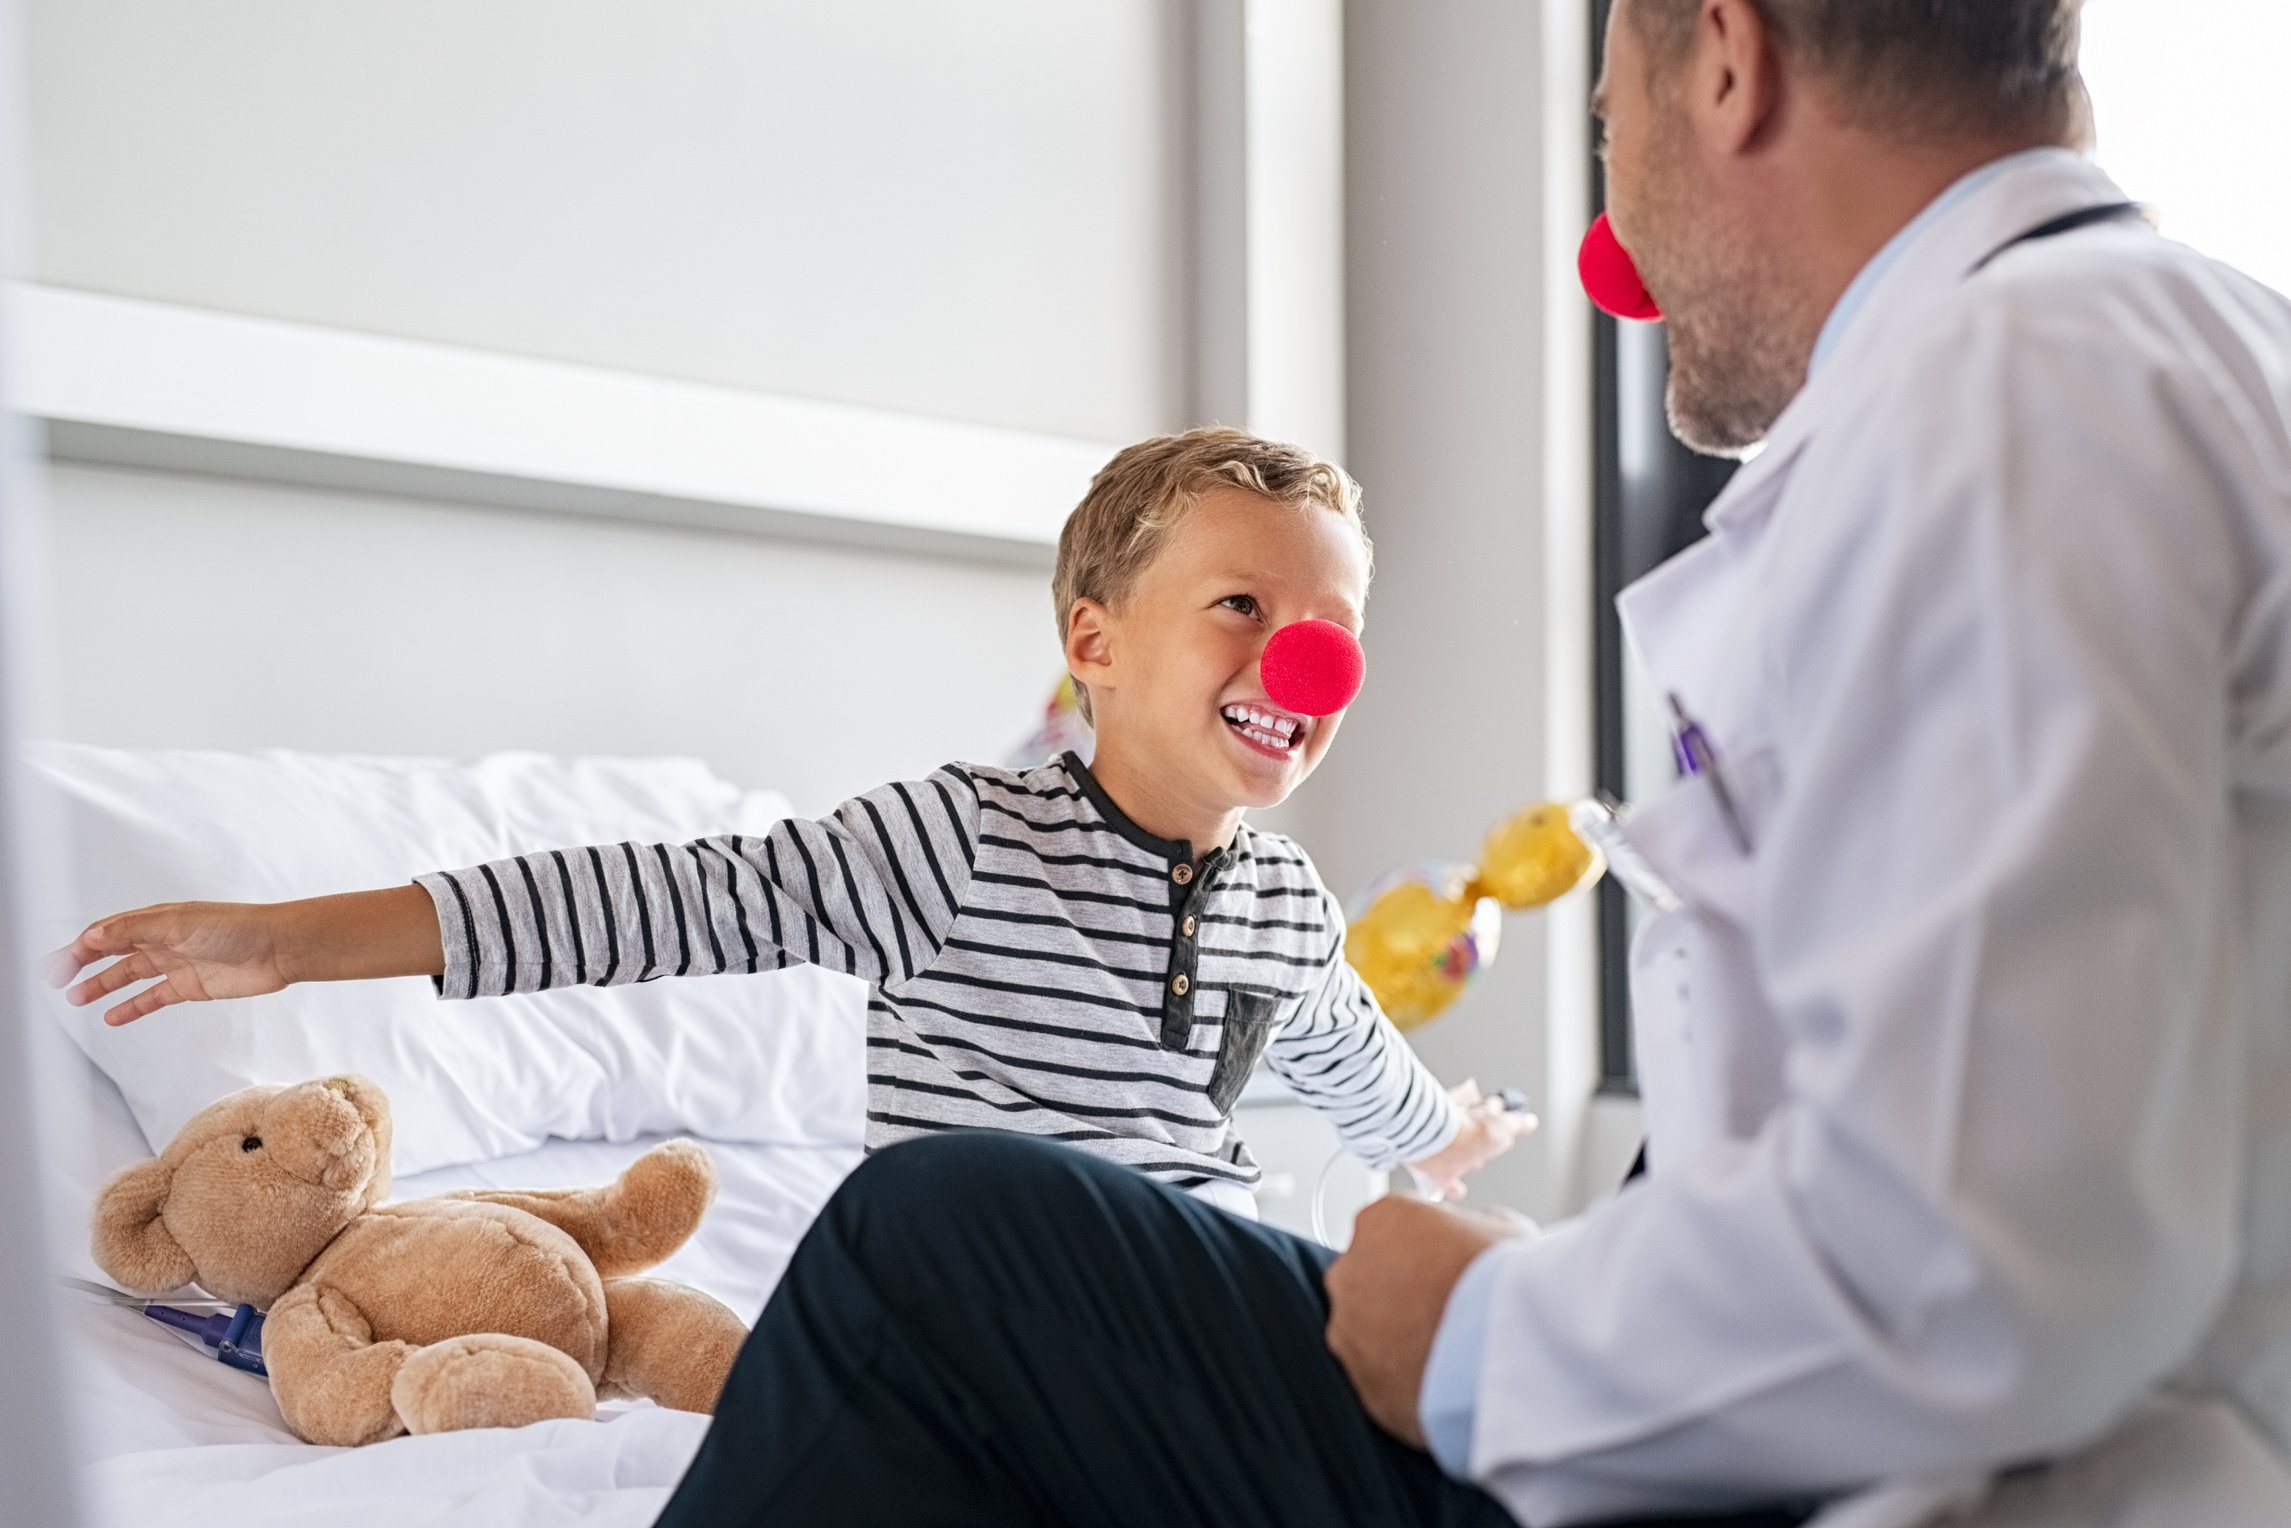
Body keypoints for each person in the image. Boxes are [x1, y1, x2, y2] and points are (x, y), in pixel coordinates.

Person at [590, 1, 2290, 1525]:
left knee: (935, 1245)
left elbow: (1989, 1260)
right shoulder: (2196, 351)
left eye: (1611, 135)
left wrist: (1478, 1327)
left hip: (1879, 1466)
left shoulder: (2005, 404)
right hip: (1871, 1415)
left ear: (1727, 56)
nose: (1618, 238)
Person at [47, 428, 1528, 1215]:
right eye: (1242, 609)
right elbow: (646, 901)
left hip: (1189, 1275)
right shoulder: (956, 842)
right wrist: (291, 942)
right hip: (989, 1264)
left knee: (1400, 1294)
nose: (1300, 661)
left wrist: (1439, 1139)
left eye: (1332, 627)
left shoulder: (1285, 904)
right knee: (934, 1233)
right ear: (1095, 644)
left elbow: (1349, 1054)